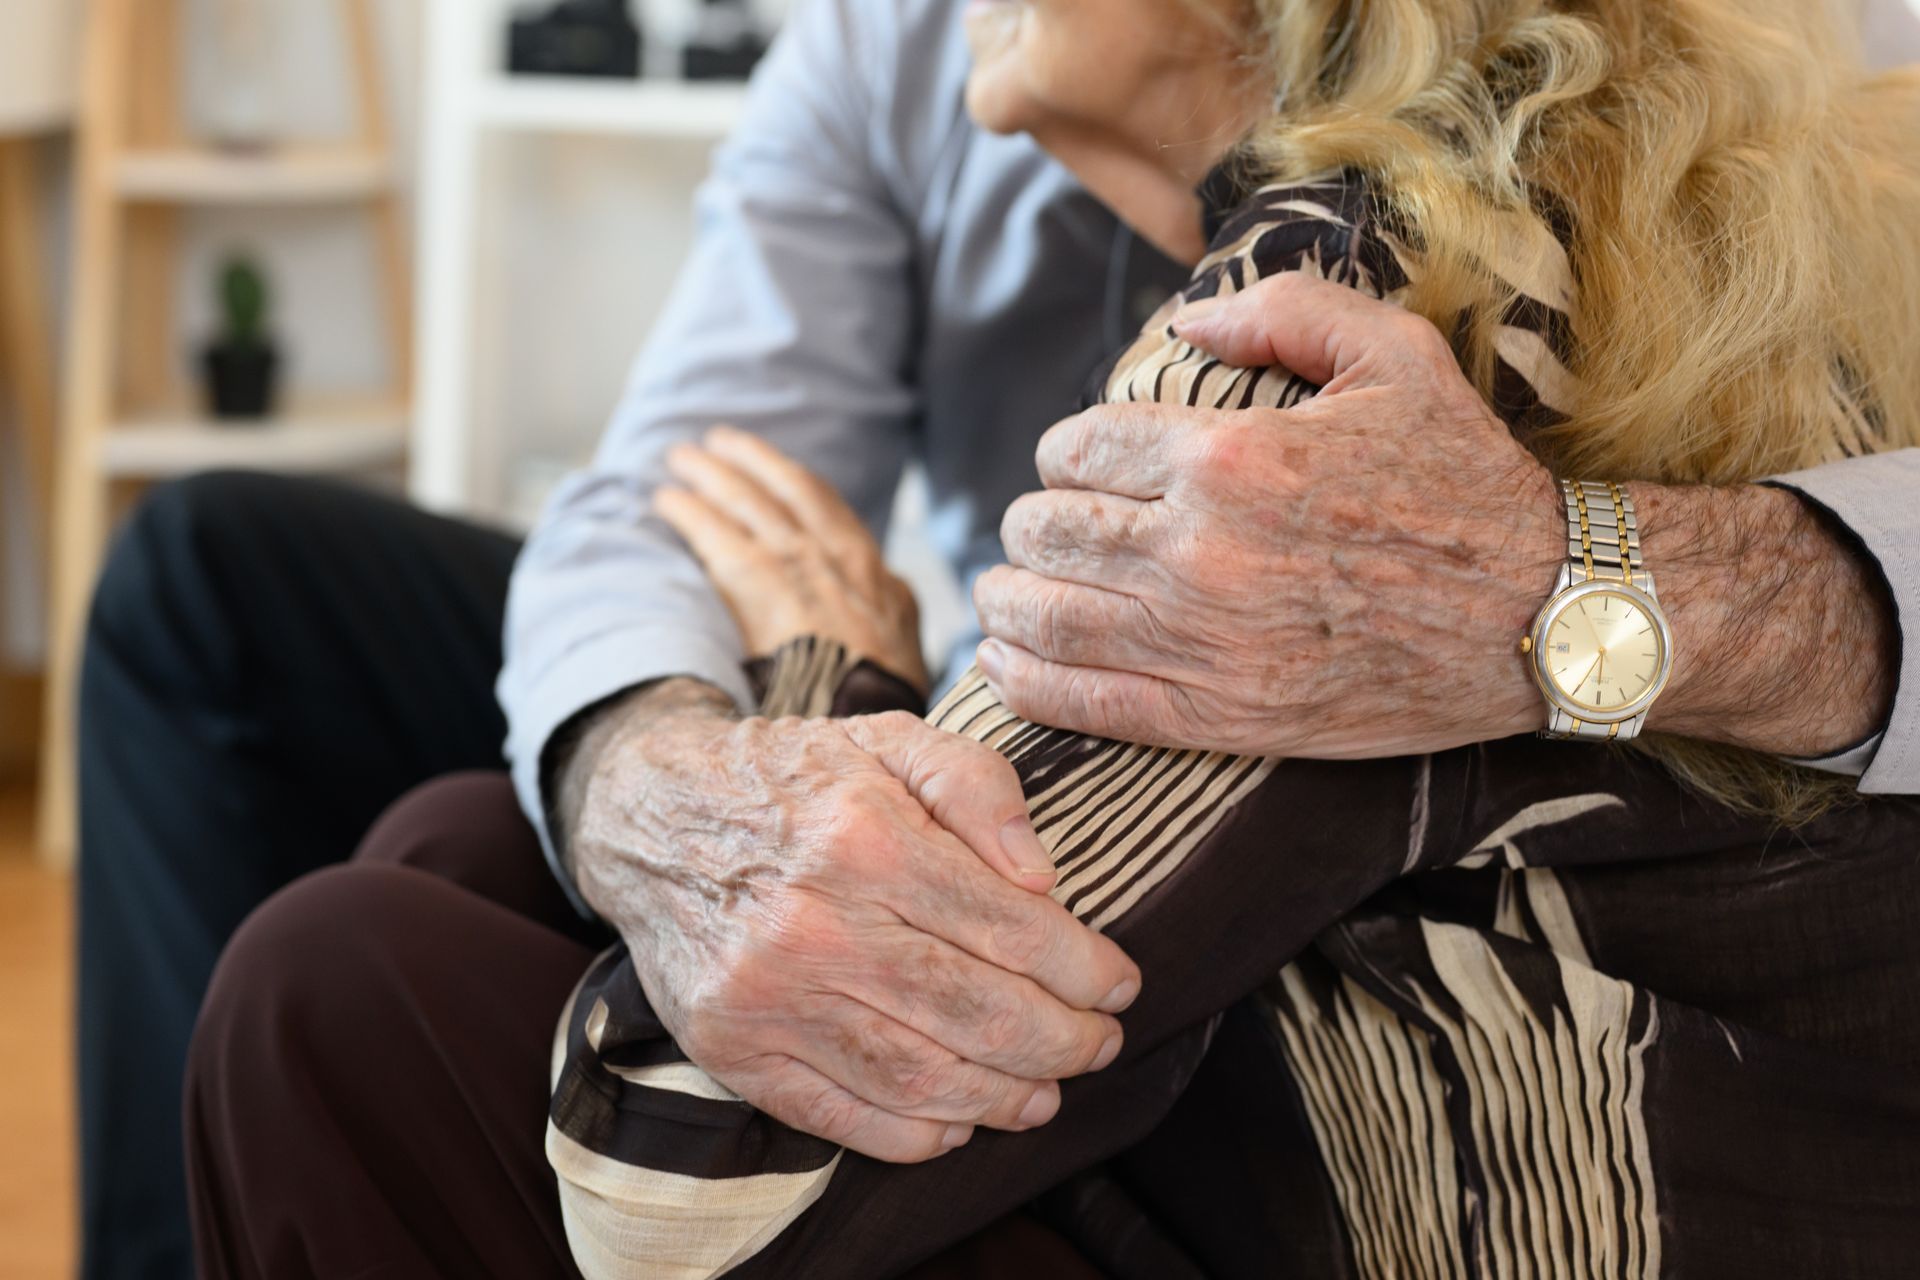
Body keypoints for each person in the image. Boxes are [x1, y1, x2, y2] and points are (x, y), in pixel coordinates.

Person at [77, 0, 1920, 1277]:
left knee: (334, 980)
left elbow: (674, 1189)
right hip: (1089, 757)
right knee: (398, 768)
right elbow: (673, 487)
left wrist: (827, 678)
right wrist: (664, 771)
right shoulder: (919, 54)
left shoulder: (1320, 323)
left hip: (1299, 988)